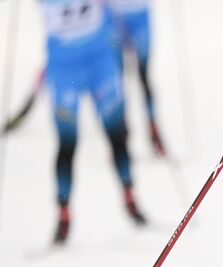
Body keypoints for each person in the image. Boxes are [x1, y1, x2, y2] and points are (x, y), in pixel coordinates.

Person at [40, 0, 146, 244]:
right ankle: (63, 214)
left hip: (99, 61)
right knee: (67, 142)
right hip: (64, 68)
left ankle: (130, 196)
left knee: (116, 133)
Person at [107, 0, 166, 157]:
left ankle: (153, 129)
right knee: (116, 80)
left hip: (139, 15)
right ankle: (121, 133)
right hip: (113, 16)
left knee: (143, 75)